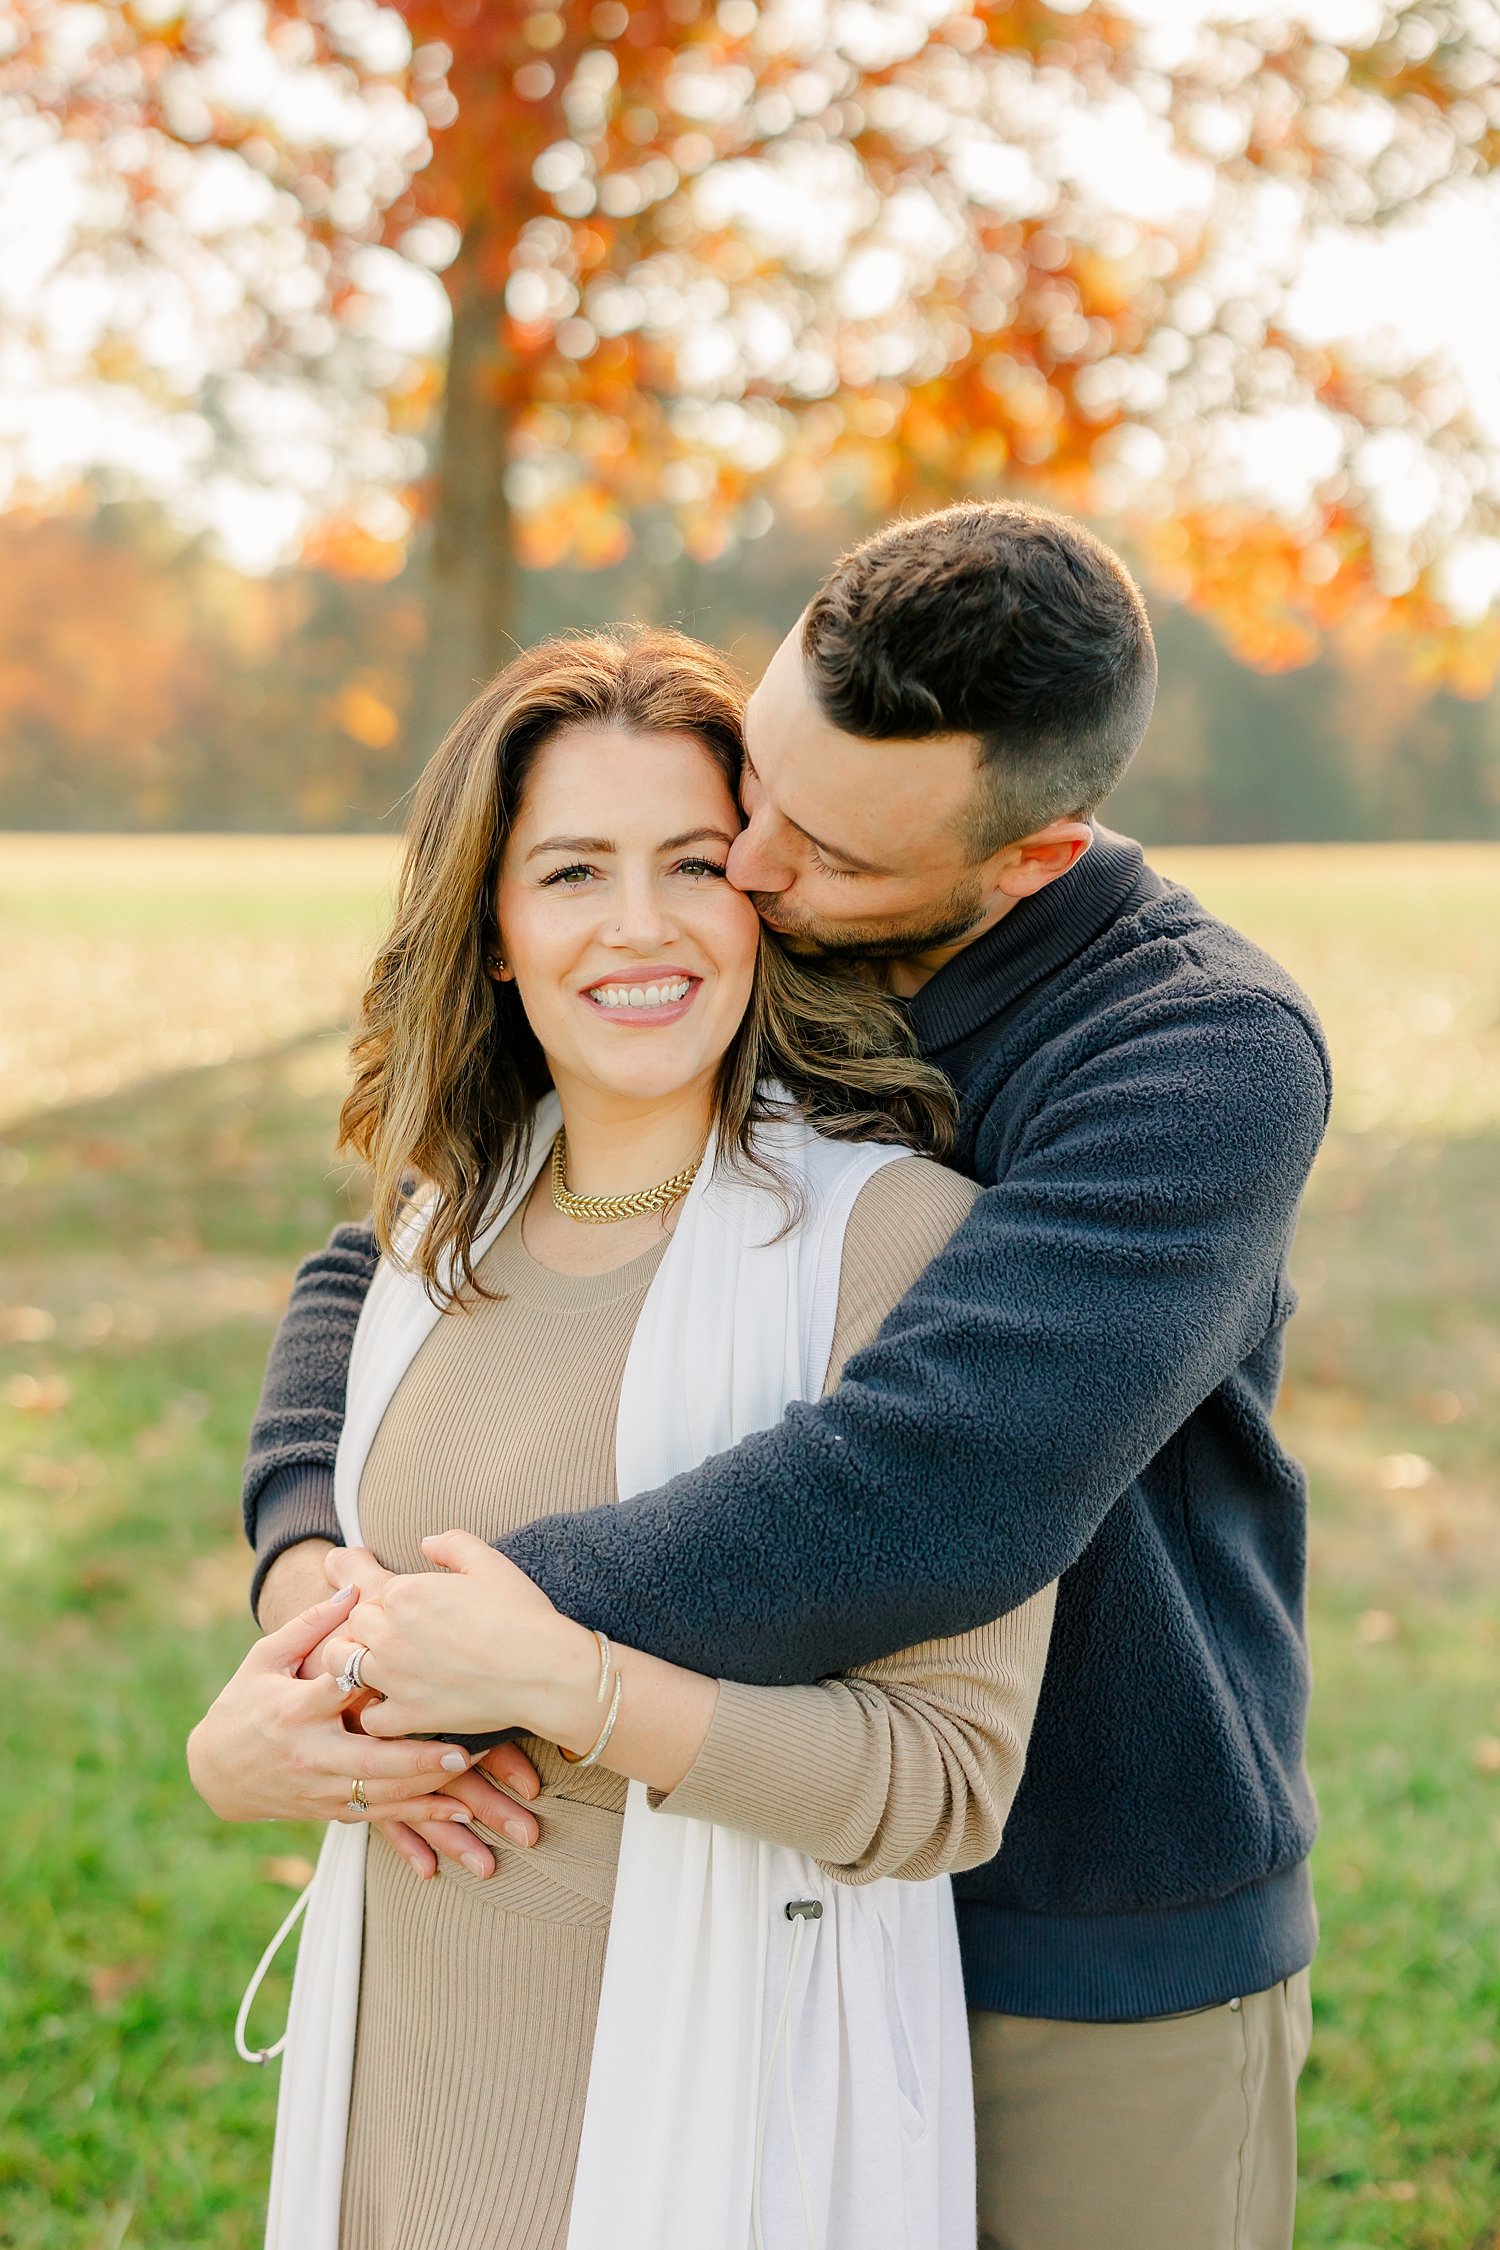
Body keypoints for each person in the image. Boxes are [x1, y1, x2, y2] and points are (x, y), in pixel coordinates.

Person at [243, 500, 1330, 2250]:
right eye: (758, 775)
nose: (741, 869)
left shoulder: (1196, 1056)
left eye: (810, 845)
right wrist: (311, 1563)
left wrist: (460, 1641)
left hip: (1080, 1925)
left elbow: (927, 1490)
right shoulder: (761, 940)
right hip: (732, 1883)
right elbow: (392, 1261)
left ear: (1032, 858)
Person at [189, 627, 1056, 2250]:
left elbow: (945, 1779)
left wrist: (573, 1687)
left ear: (766, 898)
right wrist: (245, 1747)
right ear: (499, 931)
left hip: (717, 2102)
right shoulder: (431, 1237)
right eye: (573, 871)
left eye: (693, 863)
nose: (640, 925)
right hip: (407, 2071)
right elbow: (339, 1615)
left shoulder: (895, 1243)